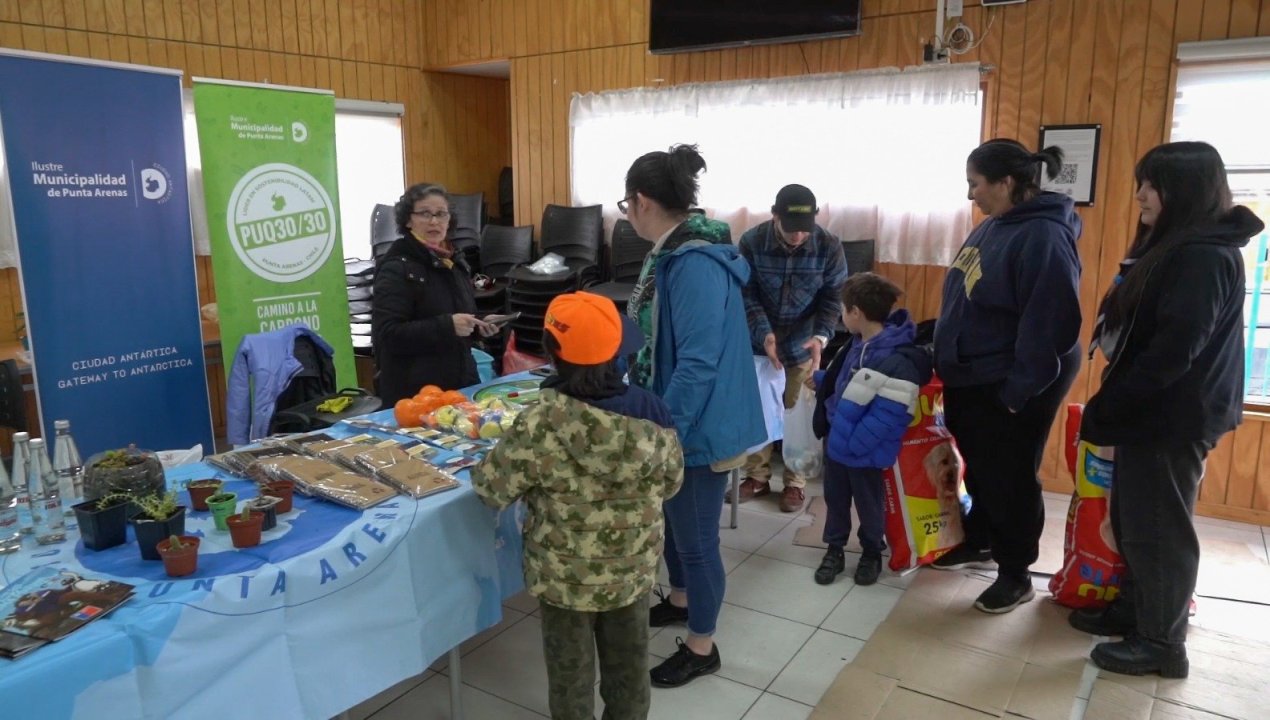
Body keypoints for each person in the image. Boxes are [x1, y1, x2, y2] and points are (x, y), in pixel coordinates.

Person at [1070, 141, 1263, 678]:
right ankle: (1137, 611)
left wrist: (1114, 403)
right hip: (1154, 411)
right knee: (1136, 519)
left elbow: (1174, 350)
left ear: (1186, 191)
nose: (1139, 196)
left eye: (1151, 185)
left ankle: (1162, 643)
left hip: (1172, 416)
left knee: (1161, 528)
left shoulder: (1203, 255)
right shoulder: (1182, 244)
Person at [471, 291, 685, 720]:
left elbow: (491, 489)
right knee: (629, 670)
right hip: (631, 570)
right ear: (617, 355)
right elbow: (672, 484)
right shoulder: (654, 414)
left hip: (563, 579)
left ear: (552, 354)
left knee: (570, 677)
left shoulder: (539, 422)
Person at [623, 144, 766, 688]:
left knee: (698, 540)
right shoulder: (674, 251)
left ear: (640, 202)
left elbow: (699, 364)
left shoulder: (691, 263)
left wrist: (661, 429)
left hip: (699, 423)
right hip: (685, 415)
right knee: (676, 526)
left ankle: (702, 647)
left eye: (626, 204)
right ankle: (681, 601)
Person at [931, 139, 1083, 614]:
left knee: (1010, 473)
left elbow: (1051, 323)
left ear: (1007, 182)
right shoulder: (996, 225)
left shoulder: (1043, 236)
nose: (971, 195)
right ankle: (979, 539)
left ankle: (1016, 573)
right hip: (977, 372)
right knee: (981, 464)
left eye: (976, 185)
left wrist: (1019, 392)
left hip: (1013, 378)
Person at [809, 273, 931, 586]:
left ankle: (872, 551)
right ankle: (834, 549)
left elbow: (888, 416)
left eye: (842, 310)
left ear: (856, 313)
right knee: (835, 500)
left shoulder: (896, 359)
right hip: (838, 440)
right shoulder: (856, 343)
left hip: (863, 449)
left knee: (870, 504)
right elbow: (849, 386)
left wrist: (851, 443)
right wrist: (824, 382)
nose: (841, 315)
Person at [734, 184, 849, 513]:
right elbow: (746, 294)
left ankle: (795, 483)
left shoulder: (828, 245)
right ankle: (756, 476)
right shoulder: (752, 242)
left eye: (804, 229)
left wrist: (823, 337)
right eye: (790, 228)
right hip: (759, 338)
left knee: (798, 412)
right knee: (759, 409)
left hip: (804, 340)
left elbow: (833, 298)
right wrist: (765, 334)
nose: (798, 236)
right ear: (774, 216)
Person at [372, 183, 496, 405]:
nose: (434, 221)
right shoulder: (396, 267)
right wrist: (448, 326)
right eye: (424, 214)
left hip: (459, 385)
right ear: (408, 220)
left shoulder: (453, 261)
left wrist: (479, 325)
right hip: (415, 396)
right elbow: (388, 335)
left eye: (441, 214)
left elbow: (456, 317)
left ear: (450, 220)